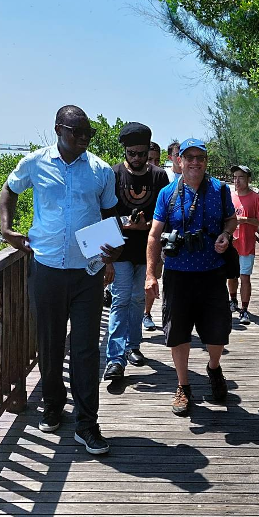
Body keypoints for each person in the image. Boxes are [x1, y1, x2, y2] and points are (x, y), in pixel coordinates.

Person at [0, 105, 121, 456]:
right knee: (49, 344)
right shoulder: (35, 163)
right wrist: (7, 229)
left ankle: (87, 423)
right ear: (58, 129)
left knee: (85, 349)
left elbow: (110, 212)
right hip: (47, 268)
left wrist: (111, 248)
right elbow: (10, 190)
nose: (82, 140)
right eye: (75, 133)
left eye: (88, 135)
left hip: (87, 272)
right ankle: (52, 403)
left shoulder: (99, 170)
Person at [145, 138, 237, 416]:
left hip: (212, 272)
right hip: (177, 274)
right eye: (189, 157)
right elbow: (153, 235)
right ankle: (183, 386)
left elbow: (232, 220)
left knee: (218, 332)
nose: (195, 162)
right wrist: (150, 274)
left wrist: (226, 234)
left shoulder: (220, 190)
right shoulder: (167, 193)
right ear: (179, 161)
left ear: (206, 162)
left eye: (200, 157)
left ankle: (213, 367)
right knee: (177, 333)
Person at [103, 123, 169, 380]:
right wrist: (108, 257)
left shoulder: (158, 176)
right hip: (119, 249)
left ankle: (133, 346)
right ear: (125, 151)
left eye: (142, 153)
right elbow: (105, 214)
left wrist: (147, 225)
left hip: (147, 250)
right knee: (120, 300)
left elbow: (165, 217)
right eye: (132, 153)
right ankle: (115, 358)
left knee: (139, 299)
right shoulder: (114, 174)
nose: (138, 158)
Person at [227, 165, 259, 324]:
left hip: (247, 245)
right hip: (231, 244)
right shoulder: (230, 196)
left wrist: (245, 220)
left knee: (245, 277)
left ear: (248, 179)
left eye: (241, 177)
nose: (237, 180)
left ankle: (244, 310)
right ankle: (233, 301)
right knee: (231, 276)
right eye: (235, 177)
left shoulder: (256, 198)